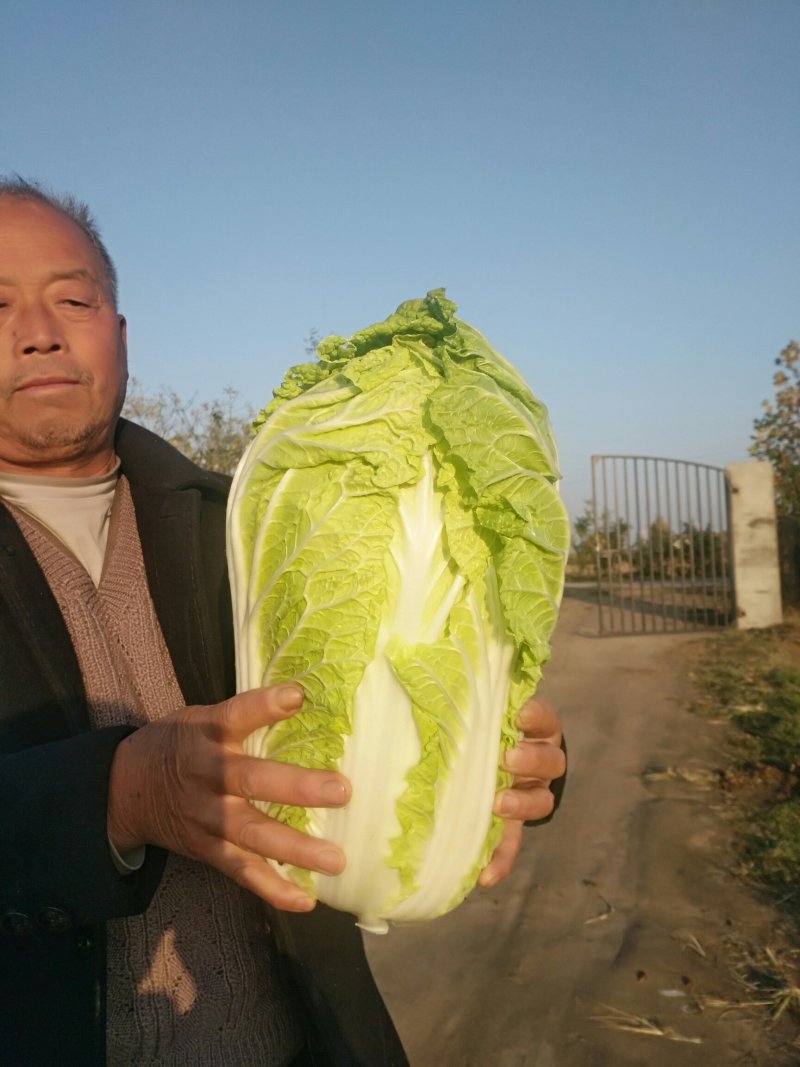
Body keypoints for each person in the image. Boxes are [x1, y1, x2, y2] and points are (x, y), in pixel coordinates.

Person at [0, 178, 567, 1067]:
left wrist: (516, 758)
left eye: (73, 298)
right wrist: (116, 796)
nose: (38, 328)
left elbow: (424, 648)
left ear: (120, 333)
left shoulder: (259, 514)